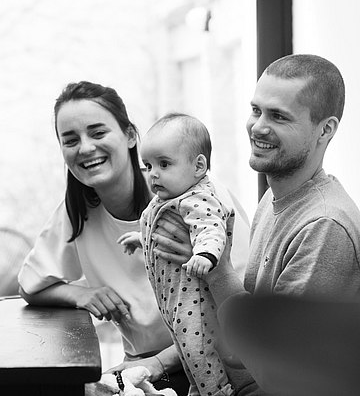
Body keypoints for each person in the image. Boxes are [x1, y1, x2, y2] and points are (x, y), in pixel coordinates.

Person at [17, 81, 250, 396]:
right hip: (144, 370)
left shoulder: (198, 199)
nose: (85, 148)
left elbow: (245, 302)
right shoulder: (75, 213)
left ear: (129, 136)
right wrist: (82, 295)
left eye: (98, 133)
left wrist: (159, 363)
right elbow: (30, 286)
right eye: (70, 140)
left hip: (214, 366)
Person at [151, 54, 360, 395]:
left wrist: (216, 270)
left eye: (279, 116)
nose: (258, 127)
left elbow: (284, 378)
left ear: (326, 129)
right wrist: (157, 364)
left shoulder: (324, 227)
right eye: (256, 110)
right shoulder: (274, 197)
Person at [119, 113, 236, 396]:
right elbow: (165, 230)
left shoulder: (198, 197)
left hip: (194, 299)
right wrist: (142, 238)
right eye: (148, 166)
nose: (153, 173)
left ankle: (217, 392)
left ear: (198, 166)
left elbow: (210, 227)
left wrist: (206, 254)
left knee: (199, 353)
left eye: (164, 164)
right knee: (186, 354)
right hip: (174, 302)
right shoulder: (170, 198)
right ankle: (198, 390)